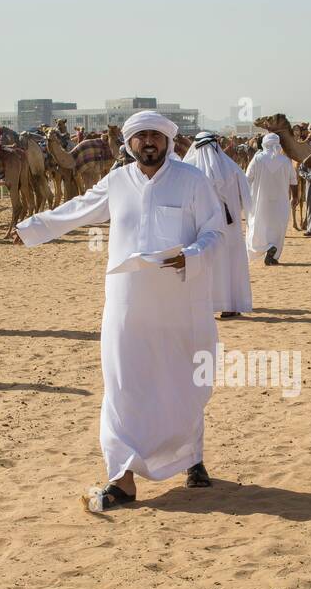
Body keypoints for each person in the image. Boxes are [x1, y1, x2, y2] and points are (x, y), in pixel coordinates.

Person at [15, 110, 222, 509]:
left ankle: (191, 459)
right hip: (126, 304)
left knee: (182, 382)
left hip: (179, 302)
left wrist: (192, 255)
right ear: (129, 143)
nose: (149, 142)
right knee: (121, 383)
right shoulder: (117, 181)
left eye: (156, 136)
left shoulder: (192, 181)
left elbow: (216, 231)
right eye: (141, 136)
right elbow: (76, 210)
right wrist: (31, 228)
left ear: (168, 141)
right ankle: (122, 478)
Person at [183, 132, 252, 318]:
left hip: (202, 226)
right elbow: (246, 197)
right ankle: (231, 304)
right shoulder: (231, 167)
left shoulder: (189, 170)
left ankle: (205, 305)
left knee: (206, 261)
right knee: (229, 263)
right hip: (230, 226)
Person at [246, 132, 296, 266]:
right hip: (281, 202)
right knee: (278, 229)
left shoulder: (258, 159)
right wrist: (295, 197)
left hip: (260, 202)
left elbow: (248, 178)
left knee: (259, 227)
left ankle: (267, 248)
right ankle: (273, 253)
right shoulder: (285, 161)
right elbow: (293, 181)